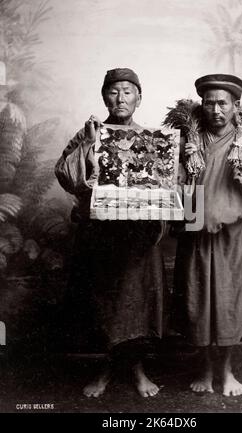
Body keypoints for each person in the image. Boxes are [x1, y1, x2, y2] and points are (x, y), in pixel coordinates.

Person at [55, 68, 168, 398]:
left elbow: (163, 183)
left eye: (127, 92)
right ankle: (104, 369)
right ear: (105, 96)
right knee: (103, 302)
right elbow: (66, 174)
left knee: (136, 301)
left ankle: (136, 369)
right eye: (114, 92)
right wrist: (90, 143)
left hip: (139, 236)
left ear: (138, 98)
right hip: (100, 234)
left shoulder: (151, 138)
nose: (120, 98)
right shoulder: (90, 132)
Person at [173, 74, 242, 397]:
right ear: (201, 106)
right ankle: (205, 368)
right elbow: (175, 195)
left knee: (229, 303)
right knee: (198, 304)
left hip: (233, 237)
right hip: (196, 236)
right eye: (209, 102)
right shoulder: (189, 141)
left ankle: (227, 370)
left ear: (236, 107)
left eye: (223, 103)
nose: (216, 109)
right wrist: (185, 166)